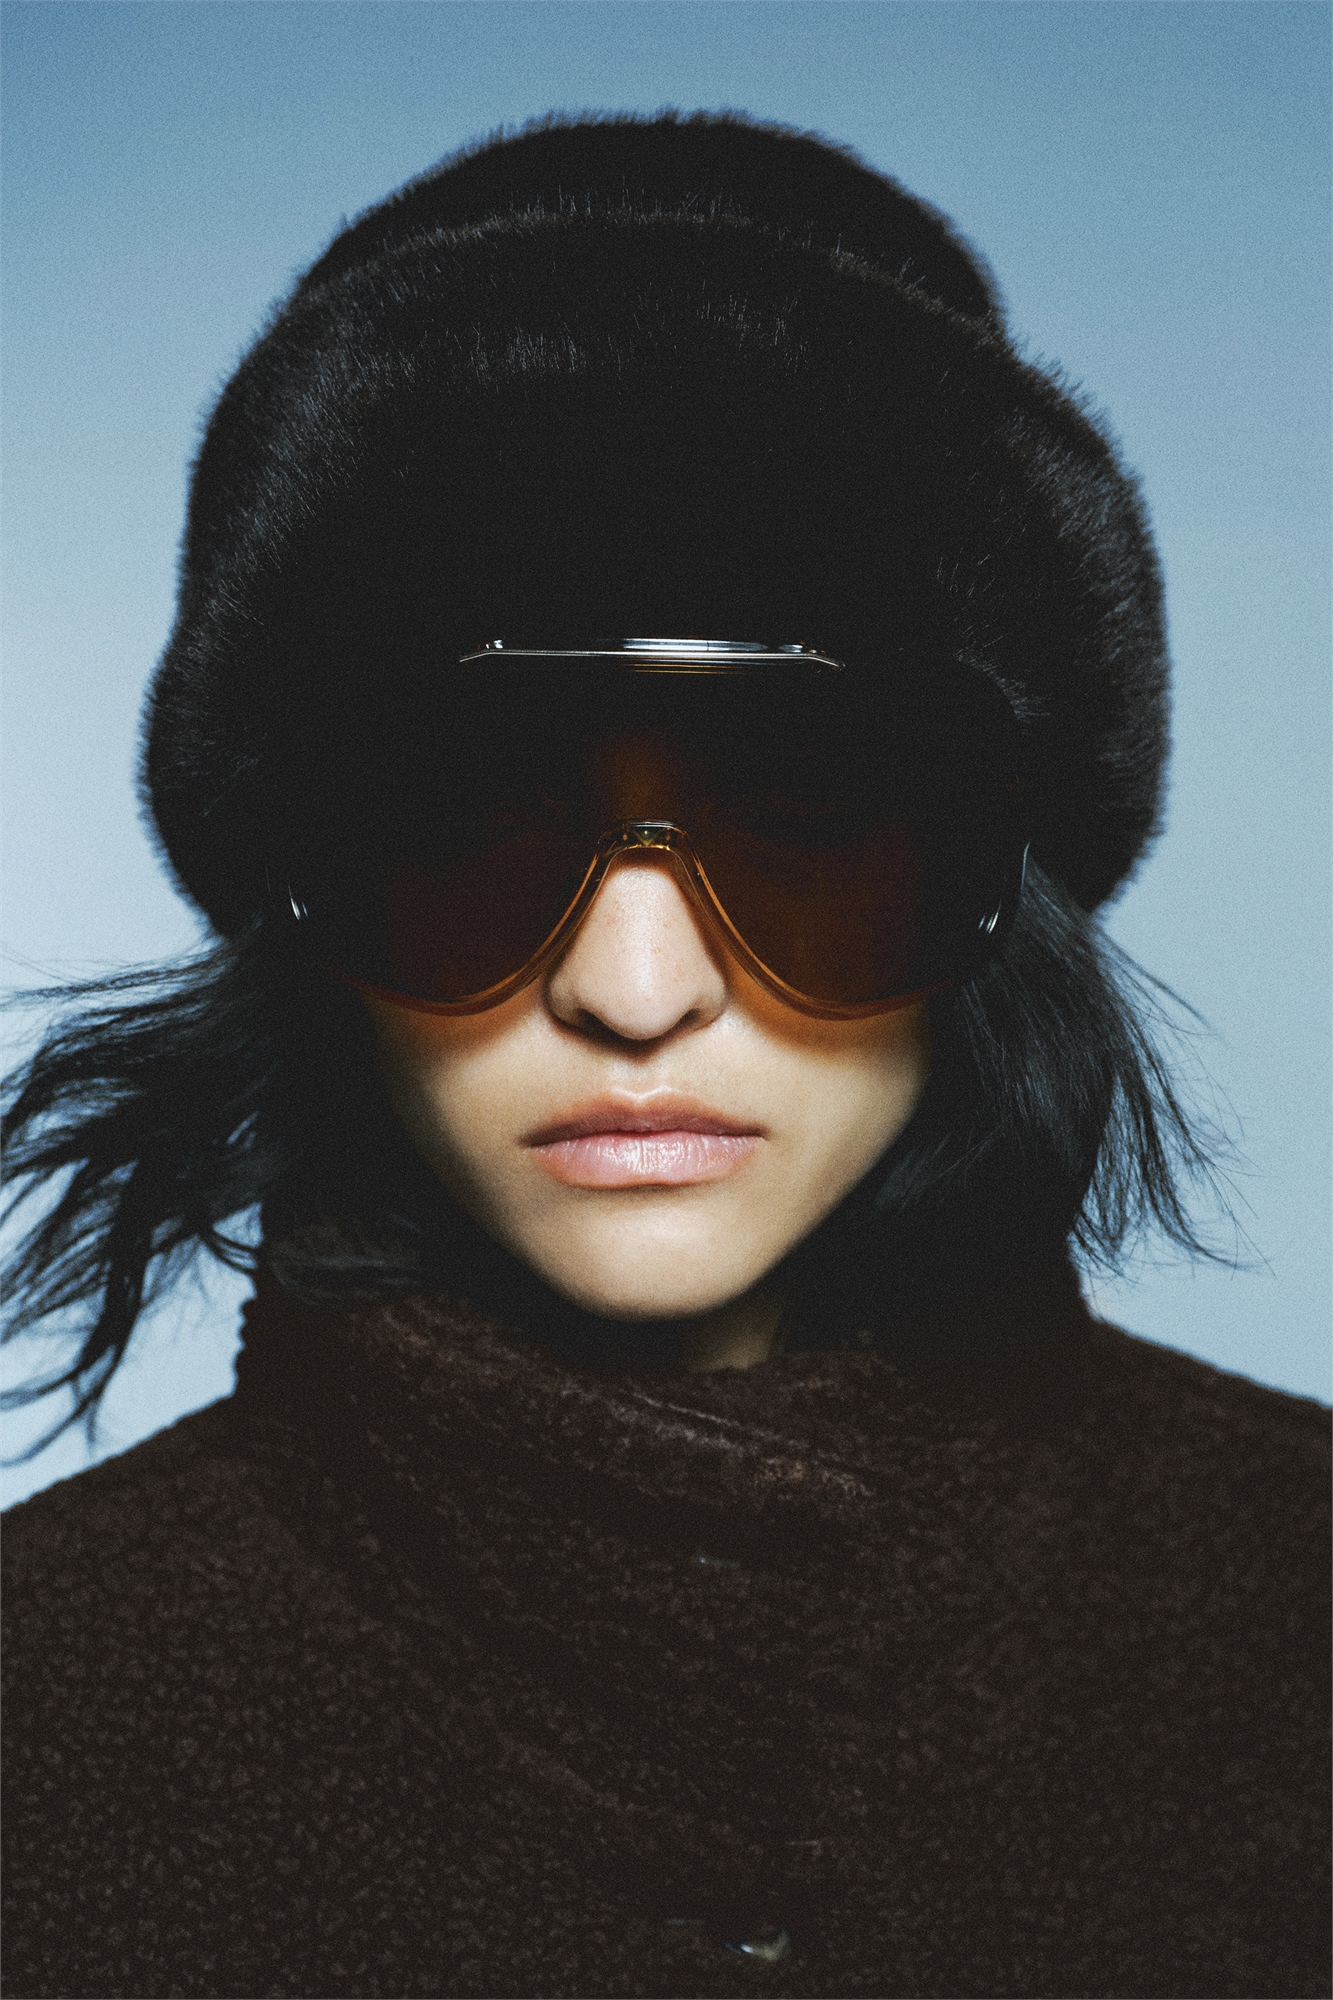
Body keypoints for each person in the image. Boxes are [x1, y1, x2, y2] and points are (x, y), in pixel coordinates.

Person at [2, 113, 1327, 2000]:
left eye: (804, 819)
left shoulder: (1295, 1618)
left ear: (996, 892)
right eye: (470, 828)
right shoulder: (43, 1718)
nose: (635, 990)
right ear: (302, 901)